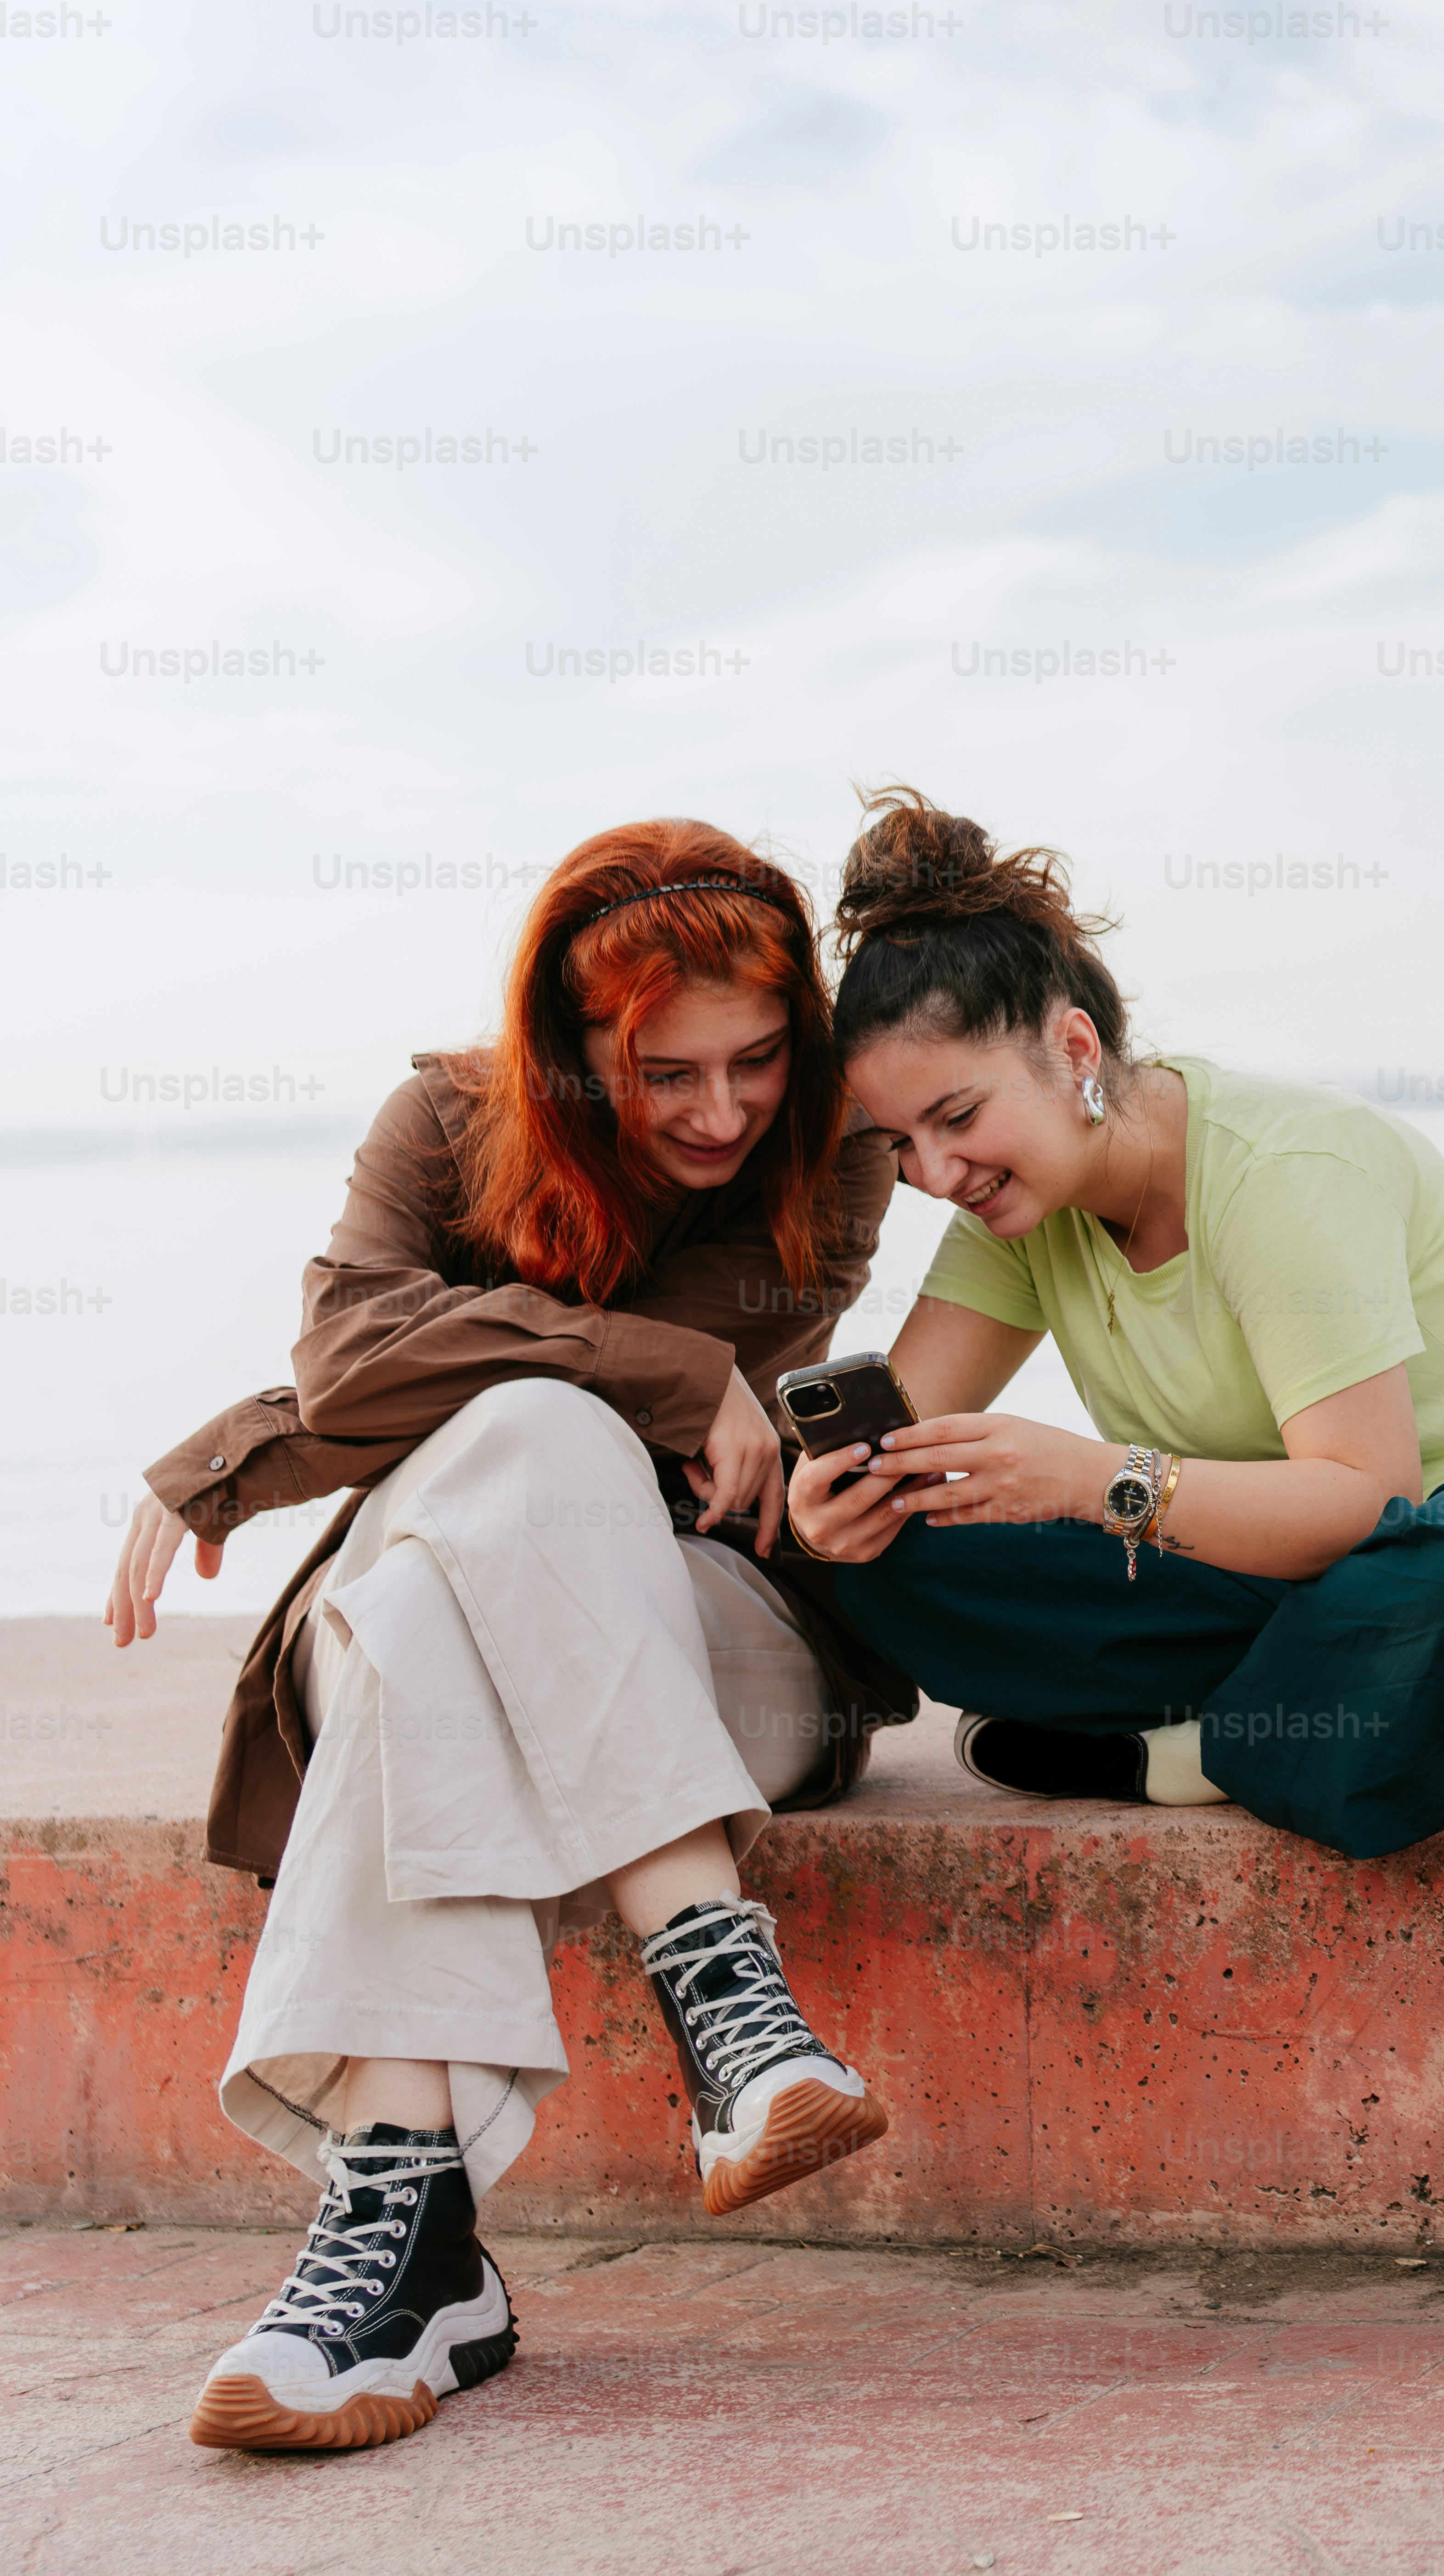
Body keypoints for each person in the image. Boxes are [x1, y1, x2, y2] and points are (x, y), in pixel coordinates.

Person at [103, 824, 907, 2451]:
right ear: (566, 1052)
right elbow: (352, 1365)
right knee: (503, 1476)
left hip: (697, 1633)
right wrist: (669, 1377)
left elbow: (387, 1378)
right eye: (663, 1073)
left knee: (492, 1505)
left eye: (756, 1059)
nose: (720, 1110)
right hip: (492, 1630)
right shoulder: (445, 1124)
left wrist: (246, 1445)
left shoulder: (830, 1159)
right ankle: (725, 2000)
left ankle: (409, 2240)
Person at [781, 795, 1444, 1861]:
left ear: (1074, 1048)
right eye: (898, 1143)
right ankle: (1326, 1707)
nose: (936, 1175)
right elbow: (908, 1433)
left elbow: (1370, 1498)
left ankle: (1187, 1756)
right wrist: (828, 1512)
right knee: (894, 1561)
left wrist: (1088, 1479)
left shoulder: (1281, 1167)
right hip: (1296, 1572)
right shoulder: (1013, 1209)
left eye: (958, 1117)